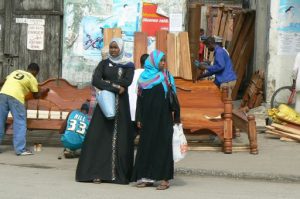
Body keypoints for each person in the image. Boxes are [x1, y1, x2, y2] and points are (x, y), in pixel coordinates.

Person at [76, 38, 135, 184]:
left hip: (121, 106)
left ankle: (117, 175)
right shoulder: (103, 63)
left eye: (116, 48)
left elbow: (127, 82)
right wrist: (115, 87)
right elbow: (96, 80)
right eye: (111, 47)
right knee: (100, 138)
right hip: (104, 106)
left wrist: (107, 83)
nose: (113, 50)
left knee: (120, 140)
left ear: (121, 48)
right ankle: (97, 172)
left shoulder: (128, 65)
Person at [131, 50, 180, 190]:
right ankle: (147, 178)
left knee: (163, 147)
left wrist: (176, 117)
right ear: (153, 62)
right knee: (147, 146)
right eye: (161, 61)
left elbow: (173, 97)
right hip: (147, 118)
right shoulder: (143, 78)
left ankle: (165, 179)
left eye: (164, 60)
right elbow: (139, 100)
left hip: (163, 118)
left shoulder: (166, 76)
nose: (163, 63)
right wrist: (139, 117)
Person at [0, 63, 49, 155]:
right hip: (16, 97)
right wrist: (43, 92)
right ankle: (20, 150)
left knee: (0, 121)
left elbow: (3, 82)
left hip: (2, 94)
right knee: (20, 122)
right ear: (36, 72)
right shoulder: (32, 78)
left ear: (27, 68)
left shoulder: (16, 71)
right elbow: (36, 95)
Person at [128, 54, 149, 133]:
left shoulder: (132, 73)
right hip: (141, 111)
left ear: (140, 62)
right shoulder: (148, 75)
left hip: (130, 109)